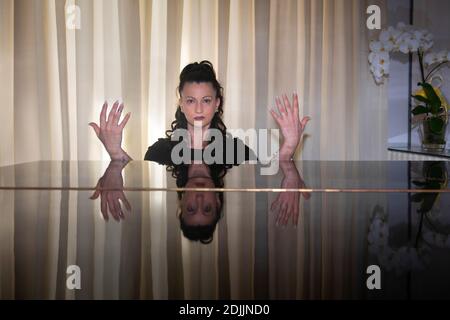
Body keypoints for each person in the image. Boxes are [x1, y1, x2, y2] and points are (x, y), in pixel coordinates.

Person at [89, 60, 310, 164]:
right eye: (190, 100)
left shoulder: (237, 151)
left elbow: (268, 186)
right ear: (181, 104)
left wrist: (288, 146)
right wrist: (116, 153)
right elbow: (138, 192)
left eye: (206, 100)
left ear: (217, 103)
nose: (198, 108)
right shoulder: (159, 152)